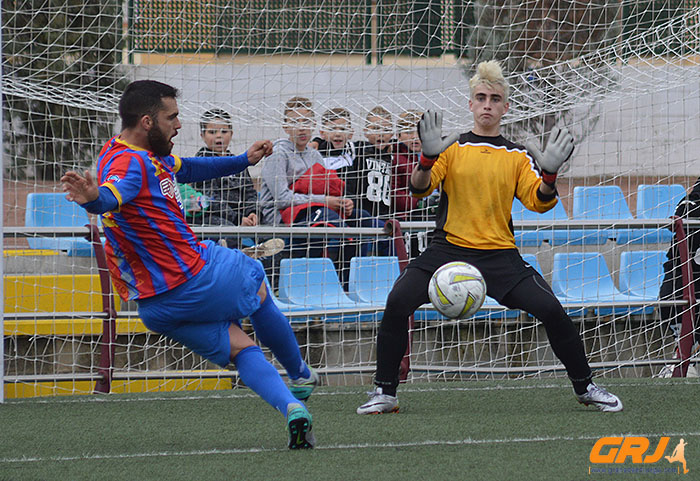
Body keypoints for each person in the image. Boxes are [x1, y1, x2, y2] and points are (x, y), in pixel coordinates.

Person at [60, 80, 318, 449]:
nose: (179, 125)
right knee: (257, 278)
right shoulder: (129, 165)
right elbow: (112, 196)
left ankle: (292, 408)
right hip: (195, 275)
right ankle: (300, 375)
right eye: (173, 117)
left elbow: (190, 168)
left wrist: (243, 160)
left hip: (155, 307)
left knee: (241, 348)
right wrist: (92, 199)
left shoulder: (140, 153)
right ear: (148, 121)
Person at [356, 60, 623, 415]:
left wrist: (550, 174)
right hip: (446, 251)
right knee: (397, 301)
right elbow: (418, 190)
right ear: (470, 104)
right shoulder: (450, 148)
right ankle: (385, 392)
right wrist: (426, 158)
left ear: (505, 107)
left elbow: (540, 203)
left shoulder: (517, 155)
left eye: (494, 99)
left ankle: (585, 386)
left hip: (500, 257)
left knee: (552, 310)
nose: (486, 104)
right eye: (480, 97)